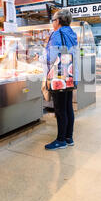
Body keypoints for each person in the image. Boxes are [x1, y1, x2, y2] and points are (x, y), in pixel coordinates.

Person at [44, 9, 79, 151]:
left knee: (60, 109)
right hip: (71, 76)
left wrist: (41, 58)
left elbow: (51, 58)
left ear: (58, 21)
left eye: (53, 20)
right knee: (68, 107)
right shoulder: (72, 33)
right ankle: (68, 137)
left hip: (59, 76)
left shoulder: (57, 34)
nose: (52, 23)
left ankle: (60, 140)